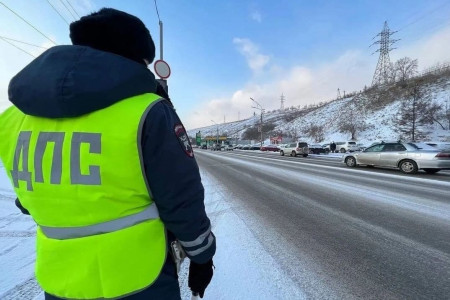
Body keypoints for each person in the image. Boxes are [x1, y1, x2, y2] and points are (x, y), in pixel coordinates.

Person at [0, 8, 215, 300]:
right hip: (141, 279)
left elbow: (27, 200)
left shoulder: (11, 120)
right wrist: (201, 255)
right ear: (131, 57)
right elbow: (180, 197)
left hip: (60, 279)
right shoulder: (148, 111)